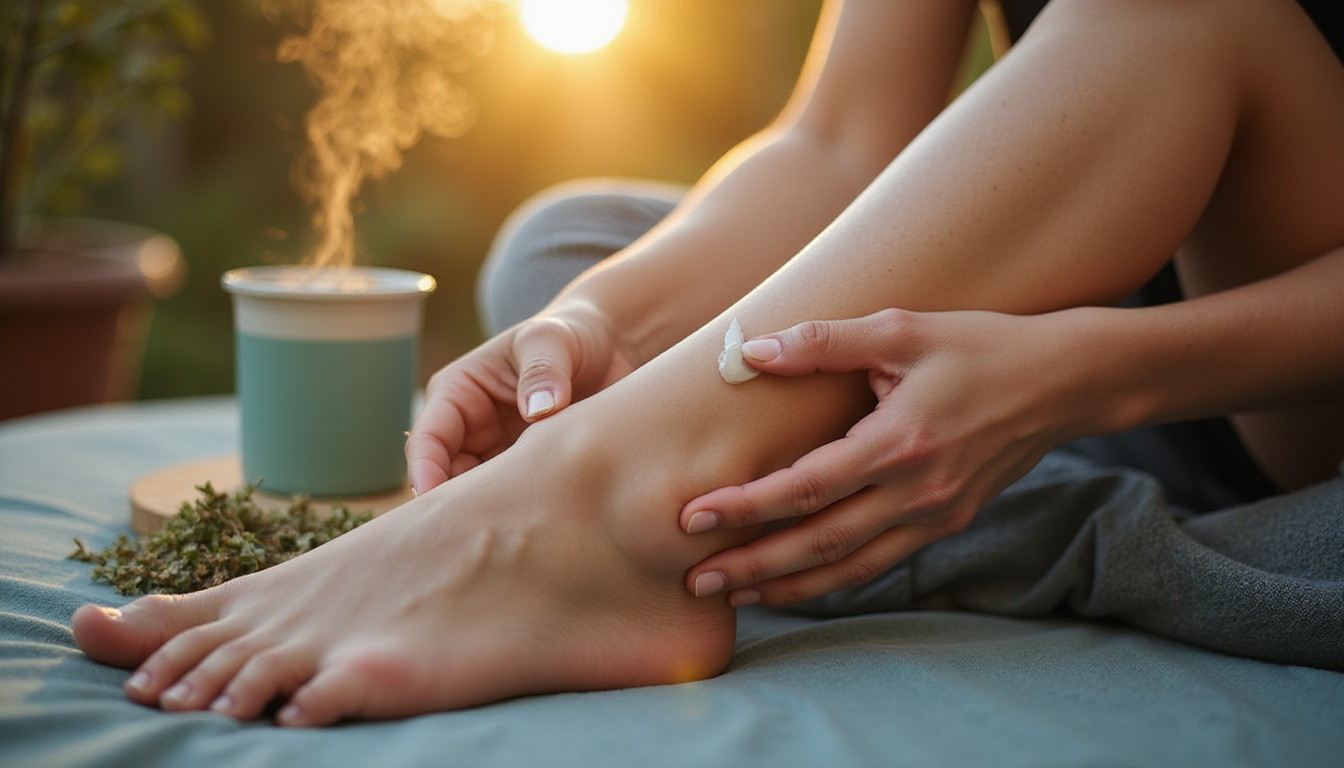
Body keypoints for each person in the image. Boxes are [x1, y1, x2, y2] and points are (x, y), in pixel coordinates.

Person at [72, 0, 1344, 727]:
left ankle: (592, 513)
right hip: (1038, 342)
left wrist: (1094, 371)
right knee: (570, 249)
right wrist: (607, 323)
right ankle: (714, 481)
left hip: (1273, 390)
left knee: (1175, 12)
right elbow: (840, 140)